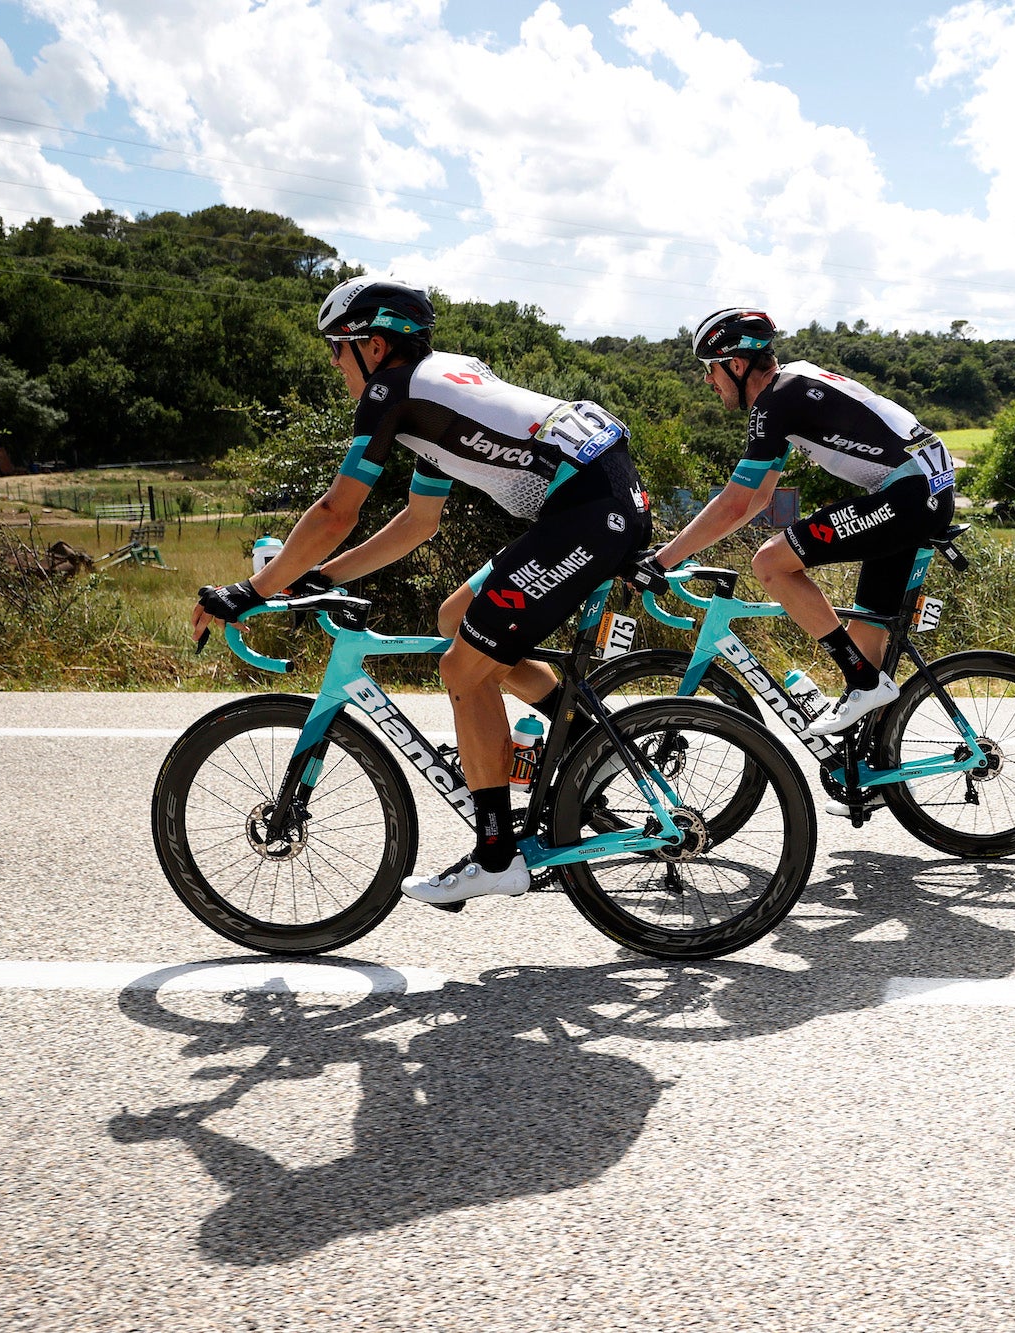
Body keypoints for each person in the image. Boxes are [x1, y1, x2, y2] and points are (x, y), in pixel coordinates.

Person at [191, 278, 653, 905]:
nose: (335, 363)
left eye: (339, 347)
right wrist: (322, 577)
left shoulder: (393, 392)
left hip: (589, 511)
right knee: (455, 616)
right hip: (599, 497)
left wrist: (248, 590)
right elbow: (417, 522)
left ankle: (496, 857)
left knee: (463, 668)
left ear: (374, 346)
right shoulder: (441, 395)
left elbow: (335, 511)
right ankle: (586, 746)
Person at [642, 308, 956, 736]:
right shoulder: (793, 386)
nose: (707, 381)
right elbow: (758, 498)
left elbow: (735, 503)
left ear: (736, 364)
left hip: (911, 495)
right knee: (866, 633)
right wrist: (680, 552)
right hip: (920, 492)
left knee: (770, 563)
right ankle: (870, 771)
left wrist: (661, 561)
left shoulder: (776, 401)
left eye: (710, 370)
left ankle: (863, 682)